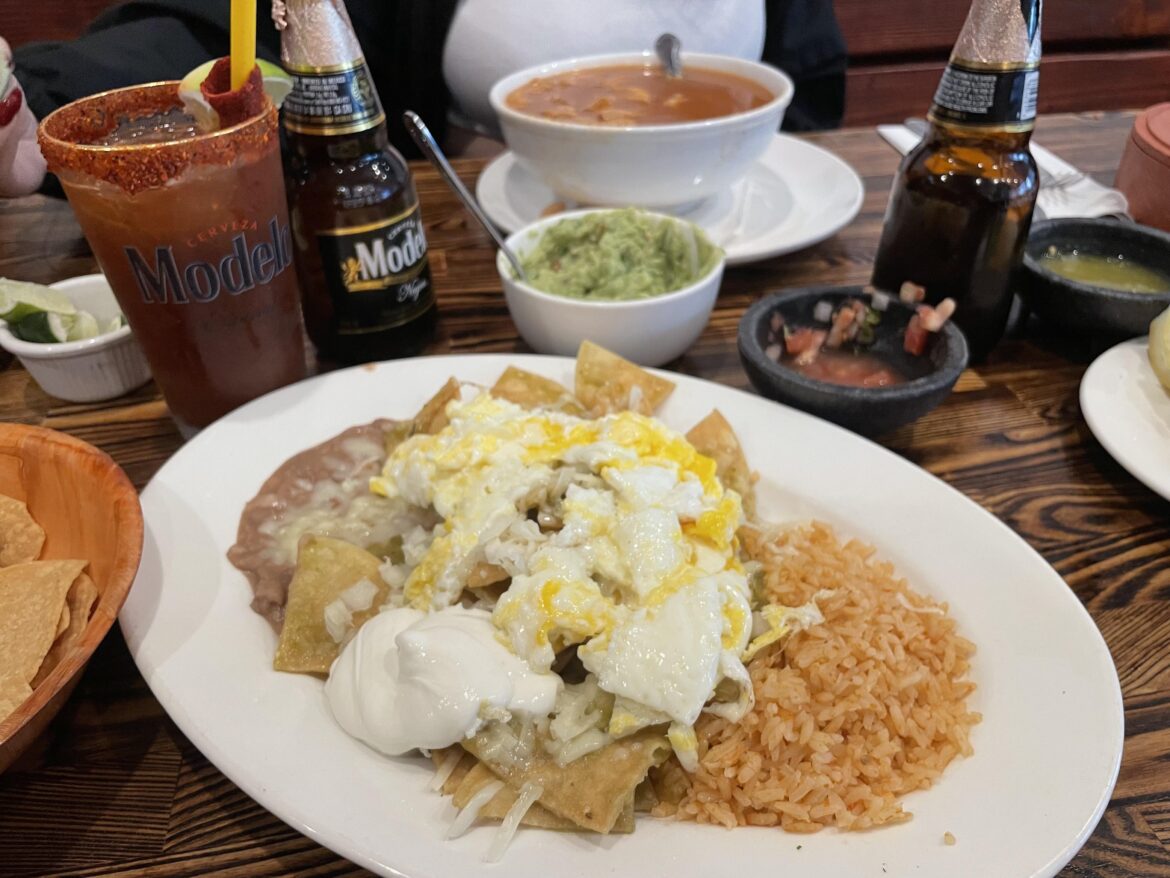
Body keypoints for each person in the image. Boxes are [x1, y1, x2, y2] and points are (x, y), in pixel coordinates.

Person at [2, 0, 846, 195]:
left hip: (743, 244)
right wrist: (37, 98)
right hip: (479, 241)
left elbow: (810, 94)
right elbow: (227, 31)